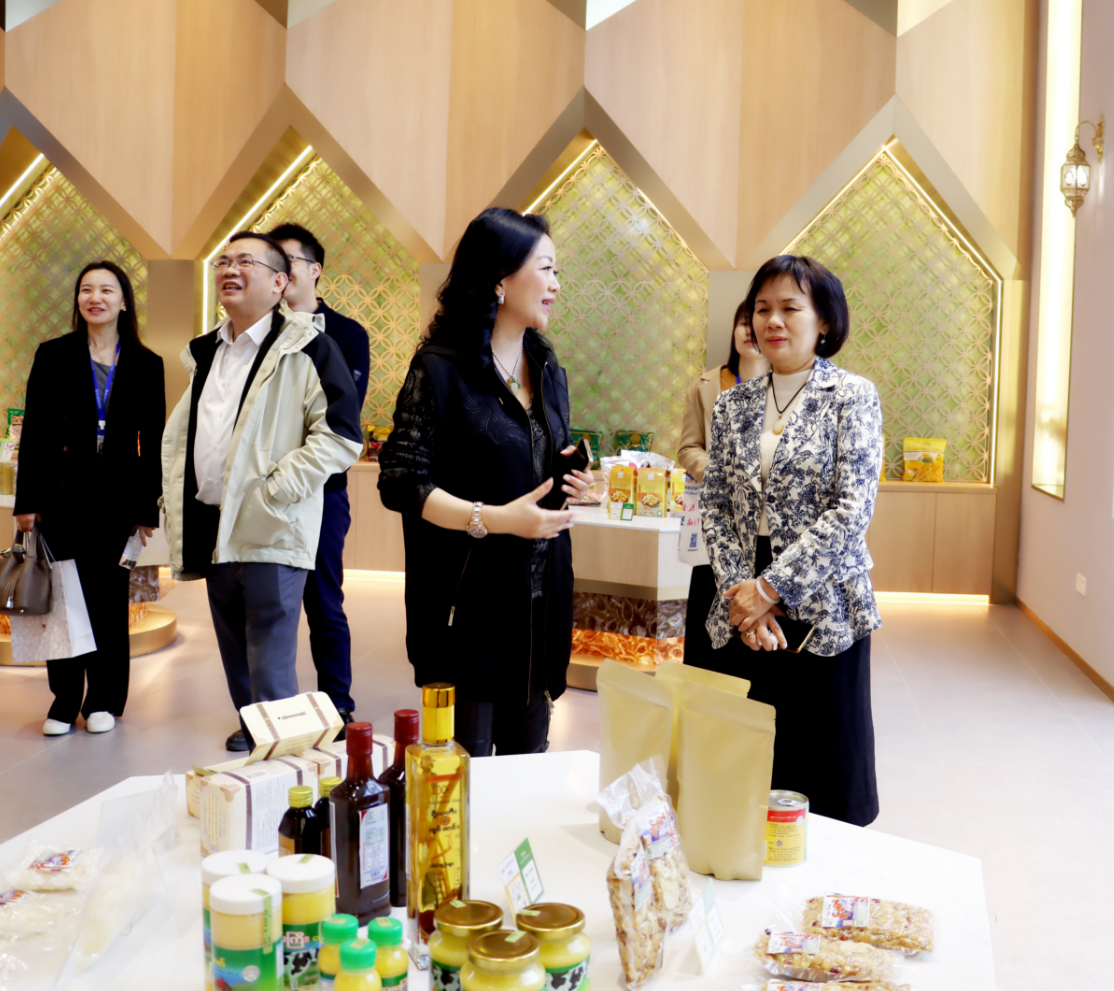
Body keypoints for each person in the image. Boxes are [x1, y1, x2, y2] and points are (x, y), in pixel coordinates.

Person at [378, 208, 593, 757]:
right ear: (500, 277)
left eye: (557, 271)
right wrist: (495, 520)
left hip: (538, 601)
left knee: (527, 767)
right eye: (545, 269)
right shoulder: (440, 369)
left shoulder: (546, 365)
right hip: (468, 605)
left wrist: (569, 478)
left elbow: (532, 457)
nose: (556, 285)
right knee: (461, 776)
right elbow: (402, 481)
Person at [161, 231, 363, 752]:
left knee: (270, 640)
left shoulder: (309, 346)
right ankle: (255, 725)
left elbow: (341, 436)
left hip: (271, 519)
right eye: (223, 261)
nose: (230, 269)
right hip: (213, 518)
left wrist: (275, 491)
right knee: (232, 637)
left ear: (279, 282)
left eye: (246, 261)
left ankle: (281, 750)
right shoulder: (206, 352)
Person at [701, 254, 883, 826]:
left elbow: (852, 509)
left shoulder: (852, 396)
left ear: (824, 320)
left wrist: (771, 589)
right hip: (739, 596)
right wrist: (744, 595)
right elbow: (715, 504)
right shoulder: (732, 404)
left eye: (789, 308)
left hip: (821, 598)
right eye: (762, 309)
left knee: (820, 760)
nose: (772, 321)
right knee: (743, 758)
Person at [15, 261, 165, 736]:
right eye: (86, 289)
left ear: (123, 301)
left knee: (107, 602)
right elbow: (35, 432)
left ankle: (103, 698)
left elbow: (153, 443)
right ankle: (64, 701)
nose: (94, 298)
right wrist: (26, 501)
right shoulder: (53, 354)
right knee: (63, 601)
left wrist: (147, 508)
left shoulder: (147, 363)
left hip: (118, 503)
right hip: (61, 498)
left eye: (106, 290)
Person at [269, 222, 370, 735]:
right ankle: (267, 712)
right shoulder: (258, 332)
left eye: (288, 261)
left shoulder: (348, 335)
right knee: (268, 606)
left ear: (314, 270)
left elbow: (340, 417)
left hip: (323, 491)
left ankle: (337, 703)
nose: (280, 271)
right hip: (263, 493)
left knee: (324, 600)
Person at [677, 304, 769, 672]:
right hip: (717, 521)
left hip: (766, 527)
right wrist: (722, 476)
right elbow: (688, 447)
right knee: (711, 634)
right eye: (743, 323)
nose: (749, 331)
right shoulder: (707, 385)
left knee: (759, 629)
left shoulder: (788, 387)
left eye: (755, 324)